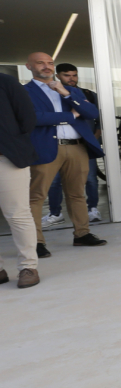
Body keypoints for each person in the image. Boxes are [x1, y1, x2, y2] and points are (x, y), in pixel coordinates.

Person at [24, 52, 106, 257]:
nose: (46, 66)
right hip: (46, 147)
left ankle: (82, 234)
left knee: (77, 193)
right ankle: (35, 242)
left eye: (50, 63)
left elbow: (92, 113)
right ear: (29, 66)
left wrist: (65, 93)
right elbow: (32, 118)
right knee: (36, 197)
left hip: (77, 147)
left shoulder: (69, 90)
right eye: (40, 63)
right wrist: (70, 115)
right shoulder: (24, 91)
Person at [44, 63, 101, 225]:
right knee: (54, 181)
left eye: (74, 75)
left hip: (82, 144)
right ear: (58, 76)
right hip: (55, 144)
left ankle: (92, 209)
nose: (72, 79)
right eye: (67, 75)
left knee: (90, 179)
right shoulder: (49, 94)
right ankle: (55, 213)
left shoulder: (87, 94)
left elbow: (98, 118)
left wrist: (93, 138)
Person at [0, 72, 41, 288]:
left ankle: (28, 266)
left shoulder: (5, 82)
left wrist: (9, 141)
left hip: (6, 158)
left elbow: (27, 118)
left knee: (17, 214)